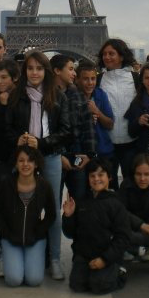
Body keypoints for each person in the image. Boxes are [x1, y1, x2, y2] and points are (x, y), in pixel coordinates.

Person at [6, 52, 70, 280]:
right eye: (30, 68)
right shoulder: (16, 96)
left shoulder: (58, 97)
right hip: (23, 158)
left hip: (50, 156)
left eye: (39, 68)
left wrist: (41, 142)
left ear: (47, 71)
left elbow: (65, 131)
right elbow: (8, 128)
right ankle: (19, 252)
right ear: (25, 72)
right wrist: (19, 140)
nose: (34, 72)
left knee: (52, 208)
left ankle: (53, 258)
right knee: (19, 206)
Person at [62, 157, 131, 294]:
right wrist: (68, 216)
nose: (96, 179)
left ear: (110, 177)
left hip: (107, 255)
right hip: (84, 254)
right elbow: (70, 233)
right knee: (77, 285)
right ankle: (92, 273)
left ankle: (119, 271)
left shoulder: (116, 204)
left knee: (99, 285)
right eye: (92, 175)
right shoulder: (82, 201)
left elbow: (122, 238)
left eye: (101, 175)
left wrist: (104, 259)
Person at [0, 146, 56, 287]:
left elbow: (52, 214)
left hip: (35, 239)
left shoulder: (44, 186)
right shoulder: (6, 184)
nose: (25, 164)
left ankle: (24, 261)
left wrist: (39, 231)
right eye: (21, 160)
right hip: (10, 238)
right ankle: (7, 258)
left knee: (34, 280)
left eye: (30, 161)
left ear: (36, 164)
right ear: (16, 163)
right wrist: (6, 232)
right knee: (14, 280)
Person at [51, 54, 95, 200]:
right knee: (53, 203)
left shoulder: (77, 94)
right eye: (70, 69)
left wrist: (89, 154)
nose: (74, 73)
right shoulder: (46, 96)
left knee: (80, 201)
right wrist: (59, 156)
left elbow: (87, 125)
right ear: (57, 70)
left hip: (77, 155)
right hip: (54, 156)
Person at [96, 38, 136, 183]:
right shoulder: (98, 80)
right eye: (104, 54)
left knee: (130, 185)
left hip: (130, 141)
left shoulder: (135, 79)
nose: (107, 57)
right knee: (108, 184)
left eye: (111, 53)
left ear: (122, 56)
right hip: (106, 142)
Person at [75, 60, 115, 175]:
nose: (90, 83)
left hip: (103, 151)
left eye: (93, 78)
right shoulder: (70, 98)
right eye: (85, 79)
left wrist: (97, 111)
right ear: (77, 80)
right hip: (80, 153)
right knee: (81, 190)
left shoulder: (101, 94)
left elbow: (110, 124)